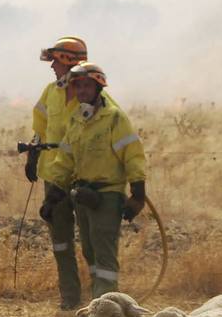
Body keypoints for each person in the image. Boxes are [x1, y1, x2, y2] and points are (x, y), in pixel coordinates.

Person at [40, 62, 146, 298]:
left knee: (104, 253)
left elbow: (133, 155)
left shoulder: (114, 118)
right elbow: (65, 161)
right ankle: (101, 302)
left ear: (99, 87)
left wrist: (138, 194)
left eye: (87, 86)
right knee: (90, 252)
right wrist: (53, 197)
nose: (82, 91)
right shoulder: (77, 120)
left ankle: (108, 308)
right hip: (83, 196)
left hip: (107, 196)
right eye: (78, 87)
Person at [31, 36, 112, 309]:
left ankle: (99, 303)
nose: (52, 66)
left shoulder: (95, 95)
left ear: (68, 62)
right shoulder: (50, 92)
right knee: (61, 241)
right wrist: (33, 152)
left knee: (91, 242)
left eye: (55, 60)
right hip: (54, 179)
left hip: (85, 180)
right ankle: (70, 298)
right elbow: (40, 126)